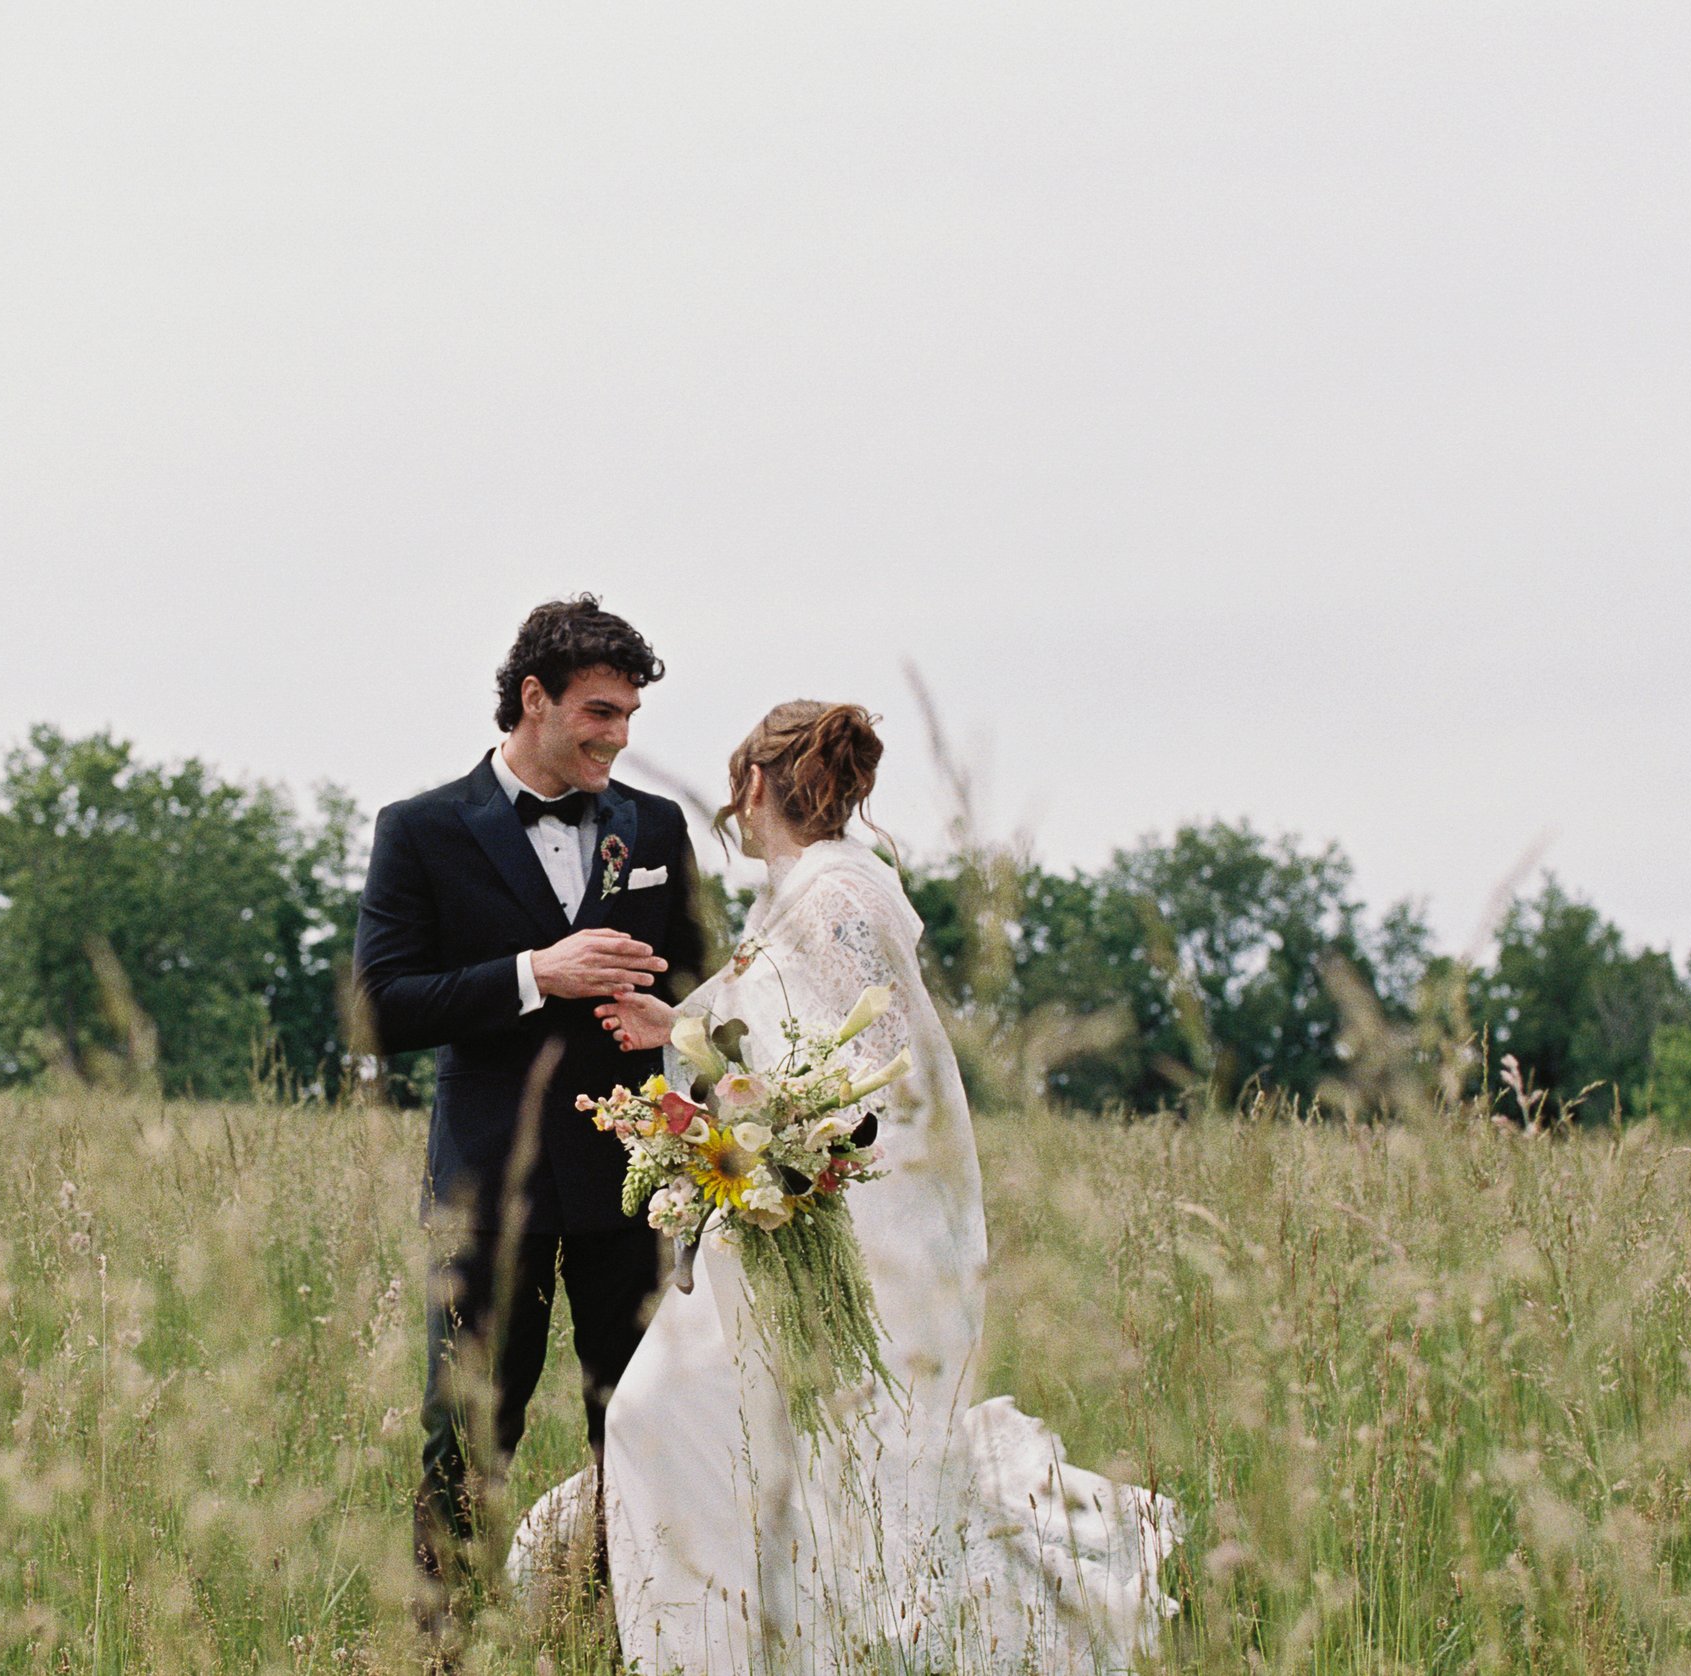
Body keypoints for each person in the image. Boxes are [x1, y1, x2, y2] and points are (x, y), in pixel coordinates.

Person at [517, 701, 1181, 1674]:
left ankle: (731, 1646)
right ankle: (725, 1640)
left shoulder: (837, 890)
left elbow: (875, 1057)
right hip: (772, 1216)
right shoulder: (796, 893)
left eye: (734, 786)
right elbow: (770, 1025)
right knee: (705, 1429)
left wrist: (770, 1137)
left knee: (678, 1419)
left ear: (751, 782)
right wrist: (679, 1024)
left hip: (821, 1221)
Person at [352, 596, 709, 1634]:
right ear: (533, 698)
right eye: (600, 709)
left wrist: (671, 1016)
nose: (618, 734)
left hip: (630, 1177)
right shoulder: (417, 829)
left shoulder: (657, 826)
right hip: (484, 1183)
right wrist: (530, 973)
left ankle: (628, 1637)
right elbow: (379, 1007)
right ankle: (444, 1654)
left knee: (639, 1428)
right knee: (467, 1436)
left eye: (631, 714)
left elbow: (695, 981)